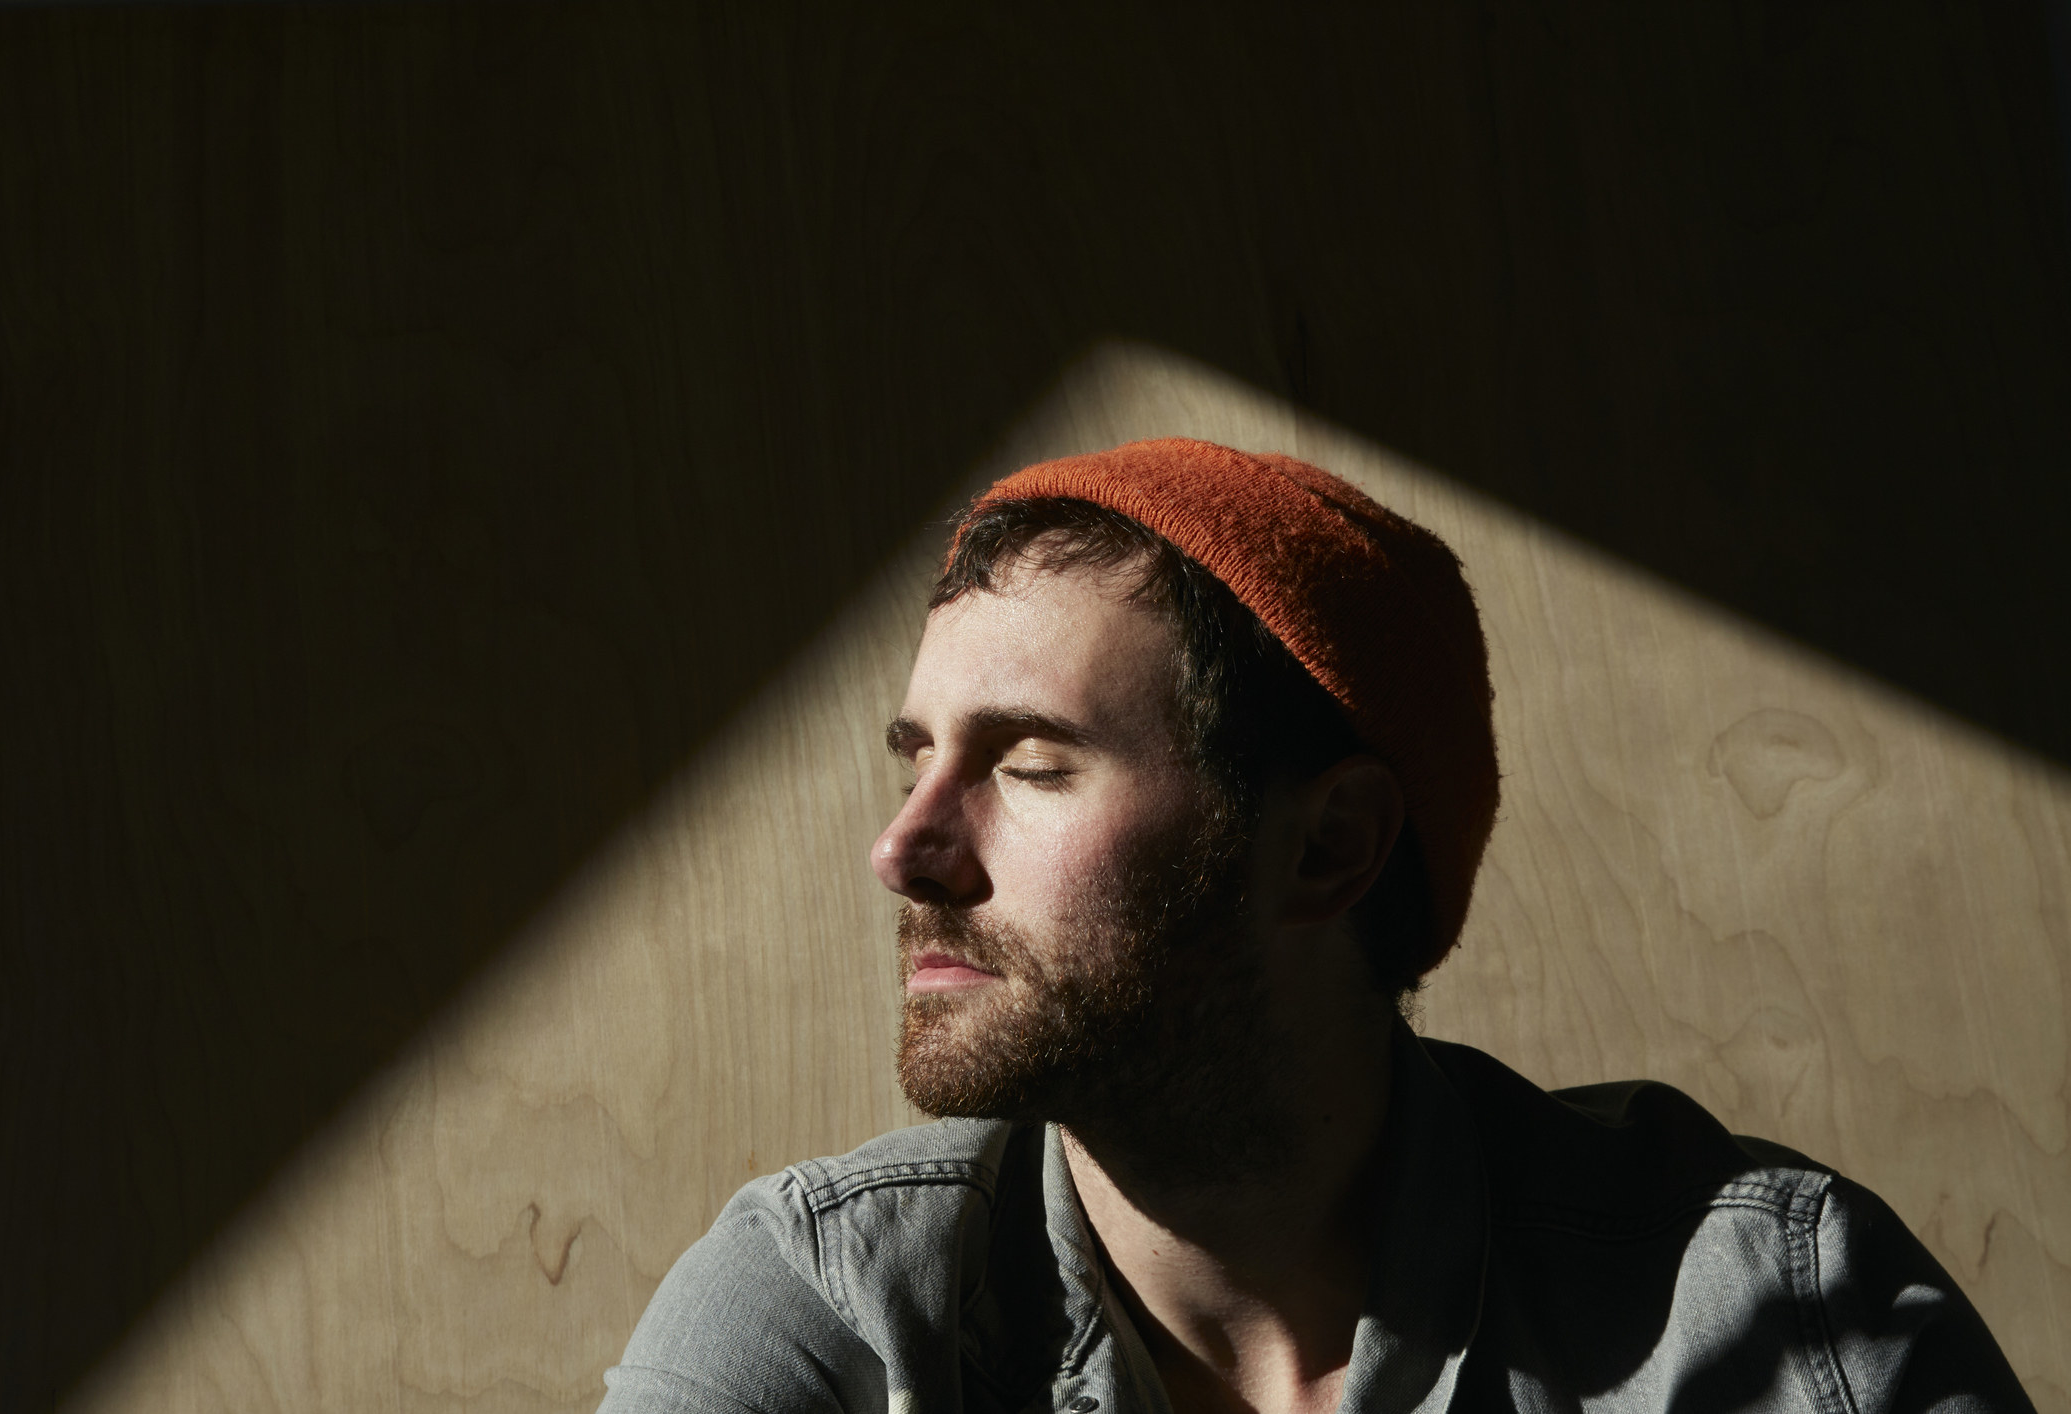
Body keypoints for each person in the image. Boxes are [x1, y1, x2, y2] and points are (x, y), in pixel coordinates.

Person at [597, 439, 2030, 1413]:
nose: (904, 844)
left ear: (1329, 842)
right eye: (915, 759)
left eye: (1028, 764)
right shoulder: (841, 1316)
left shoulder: (1775, 1316)